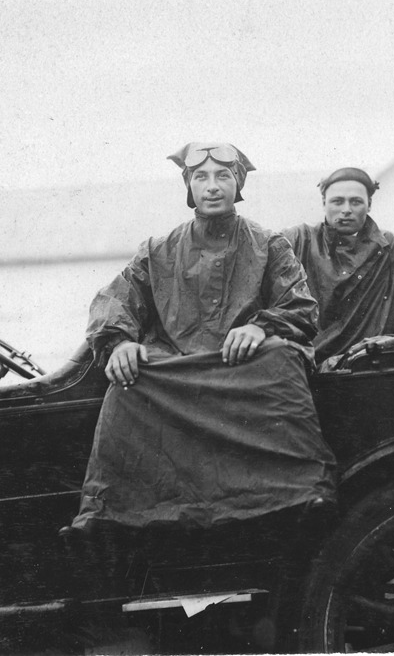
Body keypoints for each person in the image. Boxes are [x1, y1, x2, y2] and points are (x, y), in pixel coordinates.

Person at [64, 142, 335, 536]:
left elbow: (300, 306)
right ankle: (116, 511)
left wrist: (260, 327)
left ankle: (298, 490)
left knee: (280, 359)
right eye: (201, 177)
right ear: (188, 185)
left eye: (223, 176)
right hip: (178, 370)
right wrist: (119, 341)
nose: (212, 186)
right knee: (127, 379)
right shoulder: (158, 250)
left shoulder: (269, 244)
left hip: (241, 369)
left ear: (237, 183)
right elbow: (116, 299)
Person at [281, 167, 394, 364]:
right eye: (337, 201)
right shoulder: (298, 240)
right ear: (324, 203)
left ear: (369, 205)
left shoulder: (390, 247)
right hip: (304, 364)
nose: (346, 210)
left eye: (356, 202)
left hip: (365, 364)